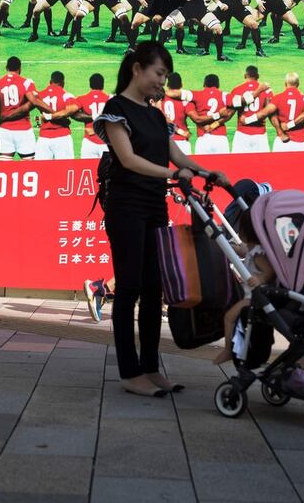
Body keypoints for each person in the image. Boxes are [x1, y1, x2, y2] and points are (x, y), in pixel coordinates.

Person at [94, 41, 227, 397]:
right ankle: (129, 372)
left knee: (155, 291)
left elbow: (178, 154)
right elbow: (129, 160)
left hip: (154, 207)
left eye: (165, 76)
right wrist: (171, 175)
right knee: (130, 288)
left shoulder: (155, 114)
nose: (161, 81)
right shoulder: (115, 109)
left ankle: (151, 368)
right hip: (126, 207)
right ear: (137, 68)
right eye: (158, 73)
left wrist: (206, 171)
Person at [213, 211, 274, 364]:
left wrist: (262, 278)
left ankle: (228, 350)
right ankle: (232, 348)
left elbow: (270, 271)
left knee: (229, 317)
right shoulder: (253, 250)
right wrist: (227, 245)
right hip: (252, 296)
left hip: (256, 298)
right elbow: (241, 250)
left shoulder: (258, 254)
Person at [0, 56, 44, 160]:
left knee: (4, 167)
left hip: (4, 131)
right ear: (20, 68)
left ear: (6, 67)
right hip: (24, 130)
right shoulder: (26, 82)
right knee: (30, 168)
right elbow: (35, 102)